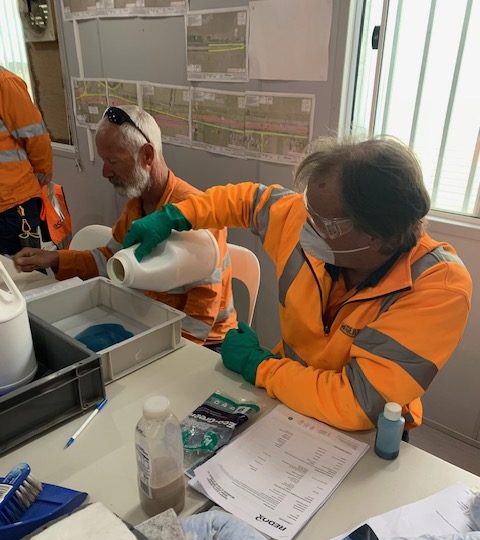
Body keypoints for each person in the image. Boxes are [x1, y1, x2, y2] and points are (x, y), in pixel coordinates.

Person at [120, 136, 472, 432]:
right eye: (308, 210)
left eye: (325, 224)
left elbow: (358, 402)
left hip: (362, 436)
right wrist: (176, 215)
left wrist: (259, 366)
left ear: (379, 236)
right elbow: (246, 200)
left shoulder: (438, 286)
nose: (306, 227)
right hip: (286, 399)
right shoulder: (307, 219)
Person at [14, 105, 237, 347]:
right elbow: (109, 260)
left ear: (147, 156)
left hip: (205, 343)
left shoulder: (198, 213)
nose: (105, 172)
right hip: (152, 322)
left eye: (112, 161)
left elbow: (201, 312)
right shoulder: (136, 203)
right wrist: (54, 259)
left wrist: (170, 349)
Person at [0, 66, 52, 255]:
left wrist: (41, 179)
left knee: (26, 268)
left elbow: (36, 138)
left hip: (13, 203)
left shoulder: (5, 83)